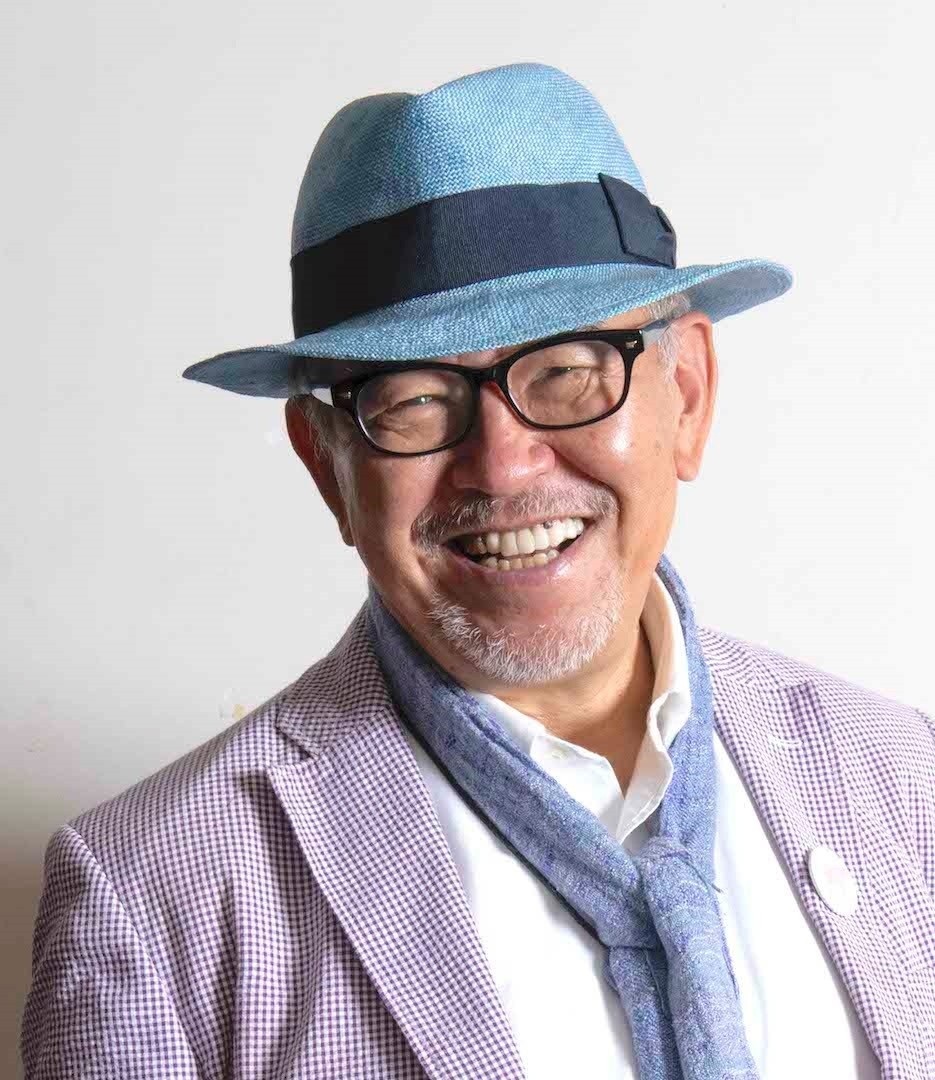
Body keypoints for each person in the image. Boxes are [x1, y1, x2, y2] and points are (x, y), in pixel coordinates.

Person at [21, 63, 934, 1080]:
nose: (502, 467)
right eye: (412, 399)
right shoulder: (150, 901)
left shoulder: (904, 781)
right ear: (328, 466)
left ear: (686, 393)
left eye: (567, 370)